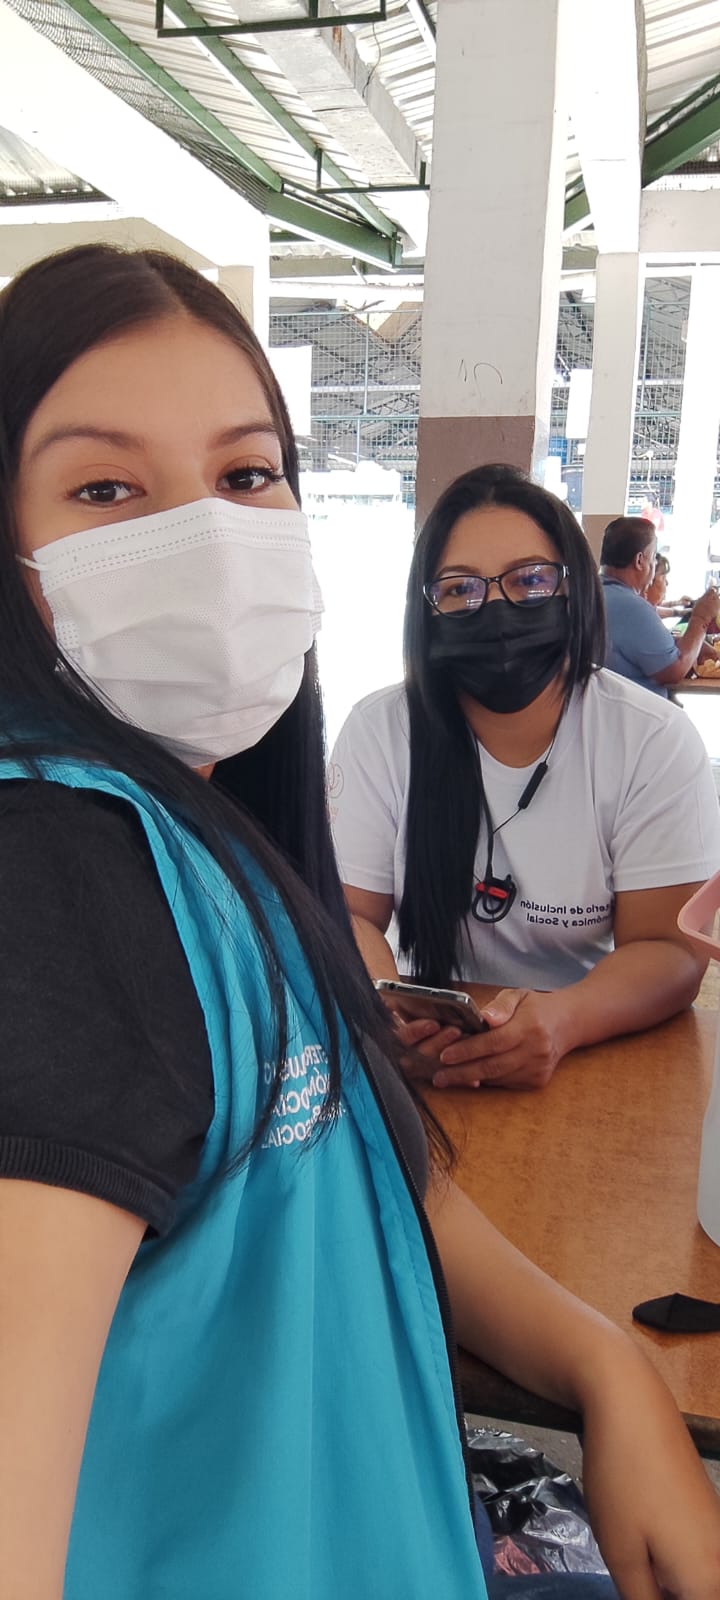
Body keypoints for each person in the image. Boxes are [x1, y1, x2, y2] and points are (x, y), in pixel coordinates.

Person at [1, 250, 719, 1600]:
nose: (206, 539)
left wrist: (604, 1361)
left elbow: (360, 1161)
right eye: (105, 489)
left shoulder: (210, 836)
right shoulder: (59, 874)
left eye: (246, 473)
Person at [330, 466, 720, 1095]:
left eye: (531, 579)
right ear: (427, 609)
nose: (497, 610)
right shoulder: (381, 731)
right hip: (426, 1055)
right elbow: (350, 914)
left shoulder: (651, 740)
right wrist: (384, 1011)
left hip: (593, 1043)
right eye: (460, 589)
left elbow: (671, 950)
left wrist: (565, 1021)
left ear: (574, 589)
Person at [600, 516, 718, 696]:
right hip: (632, 710)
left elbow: (633, 647)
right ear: (640, 561)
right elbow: (673, 671)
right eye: (654, 557)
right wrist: (700, 618)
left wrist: (685, 642)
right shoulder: (631, 607)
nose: (655, 565)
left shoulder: (595, 594)